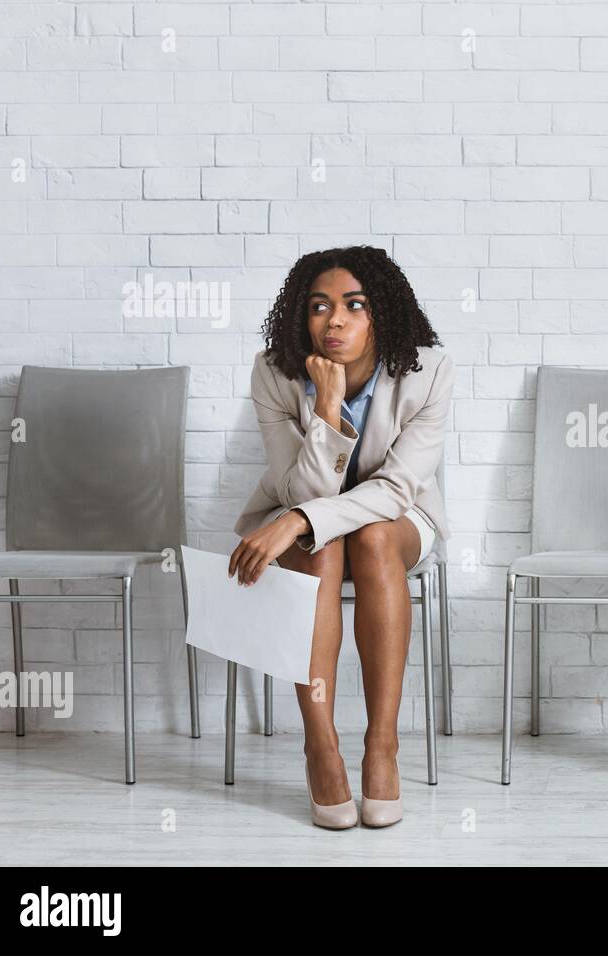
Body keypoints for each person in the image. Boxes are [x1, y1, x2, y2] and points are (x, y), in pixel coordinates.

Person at [229, 245, 453, 830]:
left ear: (382, 312)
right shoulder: (275, 372)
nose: (335, 321)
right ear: (301, 319)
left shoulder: (427, 371)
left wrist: (300, 520)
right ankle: (320, 745)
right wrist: (326, 408)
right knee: (323, 545)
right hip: (303, 526)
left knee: (373, 537)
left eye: (355, 306)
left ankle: (383, 747)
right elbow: (295, 488)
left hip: (397, 524)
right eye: (320, 307)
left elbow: (398, 489)